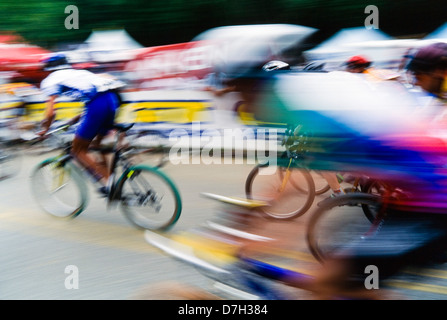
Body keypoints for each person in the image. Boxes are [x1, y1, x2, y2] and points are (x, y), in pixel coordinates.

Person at [38, 53, 125, 195]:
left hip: (98, 104)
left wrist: (44, 130)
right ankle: (110, 177)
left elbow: (50, 113)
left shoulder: (50, 80)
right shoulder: (79, 73)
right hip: (112, 100)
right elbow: (94, 99)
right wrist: (74, 120)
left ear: (48, 69)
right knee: (97, 144)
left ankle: (109, 183)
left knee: (77, 150)